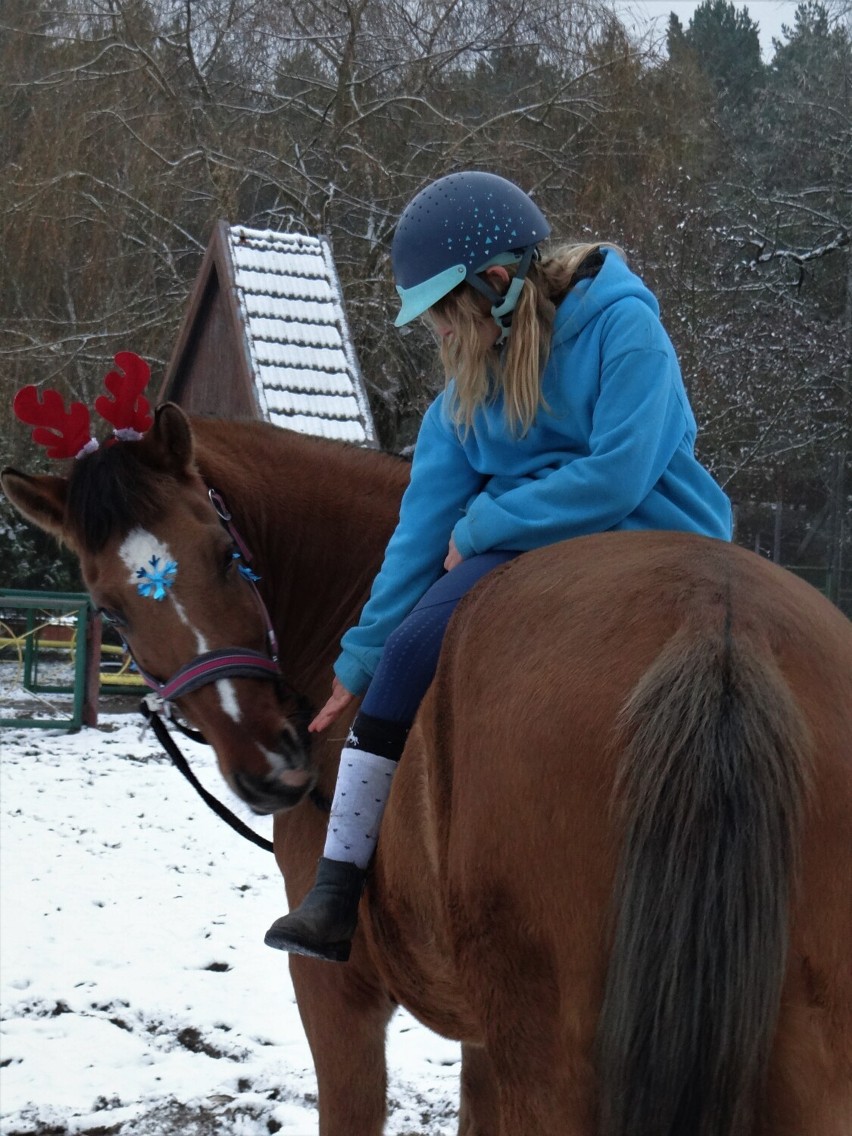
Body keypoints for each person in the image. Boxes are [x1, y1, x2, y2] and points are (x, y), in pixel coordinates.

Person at [264, 170, 733, 962]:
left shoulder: (625, 328)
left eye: (447, 316)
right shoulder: (460, 394)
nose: (442, 337)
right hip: (523, 552)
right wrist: (361, 655)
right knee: (415, 650)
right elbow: (420, 532)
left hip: (655, 530)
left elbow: (621, 471)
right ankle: (338, 884)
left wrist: (489, 520)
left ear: (495, 282)